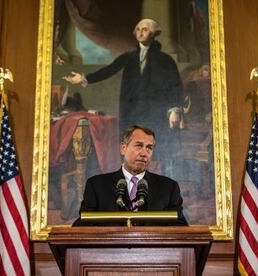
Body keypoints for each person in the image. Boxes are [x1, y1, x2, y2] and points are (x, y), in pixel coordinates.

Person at [64, 18, 184, 179]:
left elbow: (175, 86)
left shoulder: (165, 60)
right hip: (132, 112)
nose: (140, 32)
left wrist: (175, 109)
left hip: (156, 113)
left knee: (157, 151)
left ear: (154, 34)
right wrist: (85, 79)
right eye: (138, 29)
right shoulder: (129, 56)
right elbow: (109, 70)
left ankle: (160, 189)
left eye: (145, 29)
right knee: (132, 151)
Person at [73, 125, 187, 226]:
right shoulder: (96, 186)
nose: (144, 153)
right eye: (138, 146)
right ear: (123, 148)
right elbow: (82, 226)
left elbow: (181, 230)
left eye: (149, 148)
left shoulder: (168, 188)